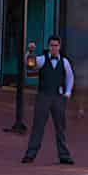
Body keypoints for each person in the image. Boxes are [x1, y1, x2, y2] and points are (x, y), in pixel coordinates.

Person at [22, 36, 75, 165]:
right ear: (48, 46)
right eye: (52, 45)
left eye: (56, 45)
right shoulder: (42, 59)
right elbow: (31, 64)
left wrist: (67, 92)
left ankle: (64, 155)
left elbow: (70, 77)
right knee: (38, 126)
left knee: (60, 127)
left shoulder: (65, 62)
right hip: (43, 96)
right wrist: (29, 53)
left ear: (59, 47)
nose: (54, 48)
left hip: (58, 97)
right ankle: (30, 154)